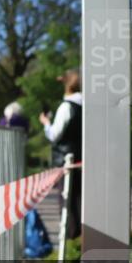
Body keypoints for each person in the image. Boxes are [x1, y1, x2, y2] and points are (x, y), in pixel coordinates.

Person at [40, 68, 82, 239]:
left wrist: (46, 123)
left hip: (67, 161)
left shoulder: (66, 107)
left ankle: (71, 242)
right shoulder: (87, 105)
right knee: (80, 202)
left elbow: (54, 135)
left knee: (68, 204)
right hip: (82, 158)